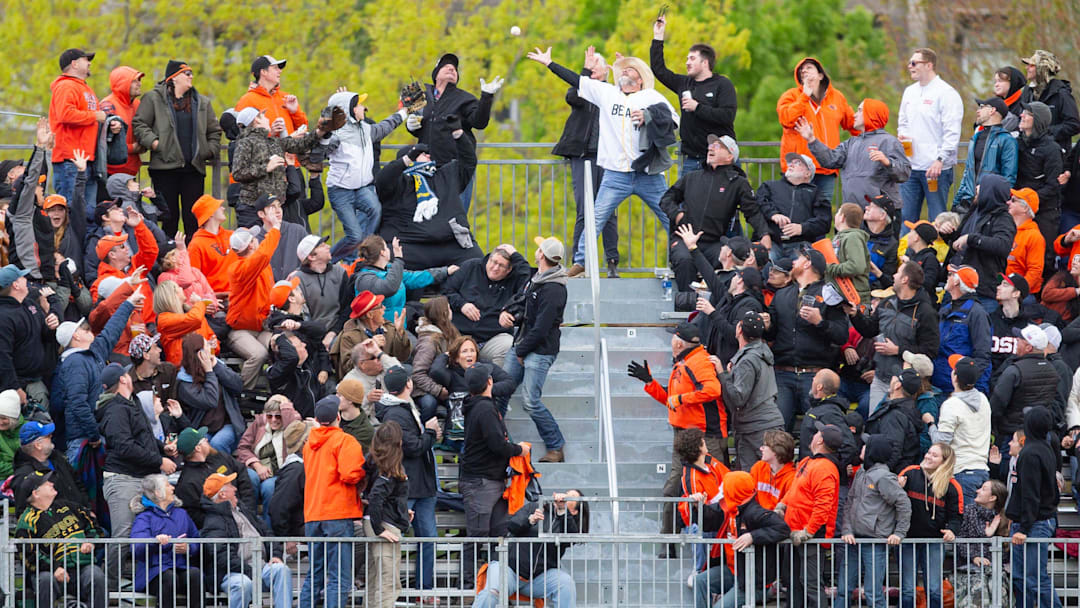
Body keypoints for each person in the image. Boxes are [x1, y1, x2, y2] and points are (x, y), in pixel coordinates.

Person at [527, 46, 677, 274]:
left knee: (671, 217)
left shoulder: (651, 97)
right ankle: (581, 261)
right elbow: (577, 81)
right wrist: (550, 63)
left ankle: (686, 260)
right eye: (622, 70)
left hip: (649, 174)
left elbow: (674, 121)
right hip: (616, 174)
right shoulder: (608, 93)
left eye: (630, 70)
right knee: (595, 218)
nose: (624, 73)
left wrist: (649, 116)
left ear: (640, 79)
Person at [628, 321, 724, 541]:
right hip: (683, 436)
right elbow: (672, 402)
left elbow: (713, 390)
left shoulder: (698, 362)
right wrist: (650, 382)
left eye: (673, 337)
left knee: (713, 488)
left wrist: (681, 398)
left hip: (704, 437)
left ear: (679, 343)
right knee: (672, 489)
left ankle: (717, 542)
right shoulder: (684, 362)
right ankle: (668, 541)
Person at [661, 134, 770, 291]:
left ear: (730, 156)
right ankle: (687, 306)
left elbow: (752, 212)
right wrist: (677, 215)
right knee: (685, 260)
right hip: (684, 238)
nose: (711, 148)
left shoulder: (738, 183)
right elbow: (666, 200)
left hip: (714, 242)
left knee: (730, 260)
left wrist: (765, 234)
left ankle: (722, 307)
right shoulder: (692, 177)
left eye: (718, 146)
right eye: (710, 145)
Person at [132, 61, 222, 235]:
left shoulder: (202, 102)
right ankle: (169, 259)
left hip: (193, 170)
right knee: (168, 218)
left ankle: (193, 258)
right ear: (173, 78)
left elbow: (214, 131)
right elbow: (140, 124)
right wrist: (154, 143)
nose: (191, 77)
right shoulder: (153, 98)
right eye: (187, 73)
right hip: (165, 169)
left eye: (191, 73)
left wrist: (208, 151)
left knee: (194, 219)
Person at [765, 246, 849, 431]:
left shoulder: (829, 295)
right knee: (776, 430)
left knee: (815, 432)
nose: (793, 261)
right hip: (783, 374)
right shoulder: (781, 294)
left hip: (814, 375)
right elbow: (771, 334)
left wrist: (820, 322)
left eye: (799, 258)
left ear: (808, 263)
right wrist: (767, 325)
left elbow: (842, 335)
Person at [374, 366, 441, 597]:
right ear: (409, 385)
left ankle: (424, 589)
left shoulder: (400, 408)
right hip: (408, 486)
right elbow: (413, 447)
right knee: (398, 537)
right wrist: (431, 432)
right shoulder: (396, 414)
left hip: (421, 484)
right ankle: (393, 591)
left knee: (428, 539)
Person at [551, 53, 620, 277]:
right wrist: (584, 72)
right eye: (591, 69)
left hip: (607, 158)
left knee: (609, 210)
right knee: (585, 209)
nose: (593, 71)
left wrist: (621, 70)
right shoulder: (584, 89)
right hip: (583, 156)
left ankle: (612, 262)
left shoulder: (613, 92)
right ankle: (579, 263)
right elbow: (573, 97)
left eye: (596, 67)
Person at [501, 236, 569, 462]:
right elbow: (524, 303)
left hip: (538, 351)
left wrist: (521, 352)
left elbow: (541, 328)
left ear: (542, 254)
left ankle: (556, 446)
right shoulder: (537, 278)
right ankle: (498, 439)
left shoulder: (554, 289)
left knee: (531, 401)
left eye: (539, 248)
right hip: (523, 344)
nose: (536, 251)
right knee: (501, 392)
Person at [406, 52, 500, 211]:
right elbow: (418, 126)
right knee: (427, 216)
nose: (451, 69)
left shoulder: (464, 98)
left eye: (454, 69)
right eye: (446, 67)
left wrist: (486, 97)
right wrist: (410, 125)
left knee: (456, 219)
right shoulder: (420, 96)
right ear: (436, 74)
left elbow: (480, 122)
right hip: (425, 167)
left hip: (456, 169)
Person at [53, 290, 138, 463]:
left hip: (97, 435)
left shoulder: (92, 353)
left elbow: (111, 331)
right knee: (85, 488)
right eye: (83, 329)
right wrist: (93, 434)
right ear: (75, 336)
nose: (88, 330)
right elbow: (77, 402)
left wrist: (129, 303)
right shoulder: (74, 363)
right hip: (84, 441)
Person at [459, 364, 526, 588]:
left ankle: (497, 581)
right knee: (478, 534)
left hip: (490, 480)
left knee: (500, 531)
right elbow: (497, 444)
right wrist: (519, 450)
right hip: (480, 481)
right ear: (489, 382)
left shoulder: (479, 405)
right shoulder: (484, 409)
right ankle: (469, 584)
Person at [322, 89, 405, 262]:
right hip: (340, 190)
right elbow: (316, 152)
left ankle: (364, 256)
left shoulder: (366, 129)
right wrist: (324, 139)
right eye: (359, 105)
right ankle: (329, 261)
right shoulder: (335, 134)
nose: (364, 108)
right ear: (351, 109)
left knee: (375, 210)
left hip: (361, 188)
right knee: (354, 236)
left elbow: (387, 125)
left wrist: (405, 111)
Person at [299, 397, 366, 608]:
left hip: (313, 514)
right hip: (337, 514)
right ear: (338, 417)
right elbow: (350, 474)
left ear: (317, 419)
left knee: (314, 574)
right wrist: (364, 472)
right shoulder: (345, 441)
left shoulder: (309, 445)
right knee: (339, 577)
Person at [374, 139, 483, 269]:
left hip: (450, 243)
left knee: (478, 266)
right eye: (422, 153)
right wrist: (408, 158)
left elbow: (468, 161)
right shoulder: (398, 181)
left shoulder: (445, 175)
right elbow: (383, 180)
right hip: (409, 244)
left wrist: (459, 136)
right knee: (386, 264)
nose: (428, 155)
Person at [96, 362, 177, 538]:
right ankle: (113, 567)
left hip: (140, 476)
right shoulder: (115, 410)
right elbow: (125, 447)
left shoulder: (133, 402)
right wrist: (159, 461)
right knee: (124, 537)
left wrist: (163, 448)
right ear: (123, 379)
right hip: (124, 480)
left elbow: (143, 436)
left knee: (148, 534)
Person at [848, 260, 940, 410]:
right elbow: (870, 330)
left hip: (905, 386)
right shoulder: (887, 302)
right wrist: (855, 314)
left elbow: (930, 351)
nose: (894, 276)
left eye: (898, 273)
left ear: (905, 279)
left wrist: (898, 350)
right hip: (880, 379)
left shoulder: (926, 312)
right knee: (874, 425)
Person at [651, 14, 737, 173]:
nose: (687, 62)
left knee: (722, 198)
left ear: (705, 63)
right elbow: (659, 70)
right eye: (686, 59)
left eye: (692, 59)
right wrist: (658, 36)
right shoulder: (684, 83)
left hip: (720, 160)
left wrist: (697, 107)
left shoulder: (723, 84)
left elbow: (727, 116)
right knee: (687, 198)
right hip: (691, 161)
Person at [473, 490, 588, 608]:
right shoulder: (535, 506)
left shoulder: (568, 524)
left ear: (574, 511)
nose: (566, 496)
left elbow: (570, 539)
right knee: (490, 593)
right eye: (567, 493)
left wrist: (563, 511)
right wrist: (530, 520)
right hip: (509, 569)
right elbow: (512, 526)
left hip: (537, 578)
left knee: (565, 583)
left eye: (572, 497)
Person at [836, 434, 911, 608]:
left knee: (873, 592)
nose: (861, 448)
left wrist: (899, 533)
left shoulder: (884, 477)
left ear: (872, 451)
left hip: (875, 542)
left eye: (865, 445)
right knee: (843, 589)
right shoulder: (862, 472)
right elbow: (849, 501)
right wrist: (846, 530)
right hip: (853, 540)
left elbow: (904, 503)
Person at [230, 106, 335, 228]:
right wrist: (266, 167)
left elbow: (300, 144)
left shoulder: (274, 142)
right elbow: (238, 173)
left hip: (274, 207)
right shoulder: (245, 142)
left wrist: (321, 131)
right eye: (263, 116)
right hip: (252, 209)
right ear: (256, 120)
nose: (267, 119)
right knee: (255, 244)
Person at [15, 471, 107, 608]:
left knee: (96, 575)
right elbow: (28, 555)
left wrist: (91, 541)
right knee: (45, 579)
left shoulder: (68, 506)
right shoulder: (26, 521)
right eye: (46, 483)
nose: (52, 483)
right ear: (36, 493)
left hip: (82, 569)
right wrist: (55, 567)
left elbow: (94, 526)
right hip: (50, 574)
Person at [200, 472, 292, 608]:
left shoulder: (243, 510)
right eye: (230, 485)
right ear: (222, 495)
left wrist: (275, 555)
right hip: (231, 573)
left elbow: (268, 533)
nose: (235, 489)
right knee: (243, 584)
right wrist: (249, 571)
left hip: (259, 566)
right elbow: (222, 557)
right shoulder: (213, 520)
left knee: (281, 569)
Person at [775, 422, 842, 608]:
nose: (813, 436)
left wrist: (808, 532)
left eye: (817, 433)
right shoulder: (808, 462)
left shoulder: (825, 468)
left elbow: (823, 507)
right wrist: (782, 505)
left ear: (820, 440)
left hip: (810, 537)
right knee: (793, 582)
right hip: (795, 532)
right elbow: (795, 490)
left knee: (810, 584)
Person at [797, 98, 911, 206]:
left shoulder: (889, 141)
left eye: (860, 110)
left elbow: (904, 174)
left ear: (872, 114)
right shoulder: (850, 143)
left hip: (881, 213)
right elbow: (830, 160)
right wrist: (811, 140)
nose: (854, 115)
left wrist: (888, 162)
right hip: (852, 212)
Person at [897, 48, 964, 230]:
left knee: (938, 220)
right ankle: (904, 257)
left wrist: (940, 159)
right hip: (911, 168)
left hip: (936, 170)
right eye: (909, 62)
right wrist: (903, 136)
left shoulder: (946, 93)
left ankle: (938, 257)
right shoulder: (909, 92)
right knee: (906, 219)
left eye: (914, 63)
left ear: (929, 65)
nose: (909, 66)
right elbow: (902, 121)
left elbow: (952, 131)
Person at [777, 58, 857, 202]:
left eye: (809, 68)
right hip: (799, 168)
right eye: (802, 70)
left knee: (823, 215)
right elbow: (786, 119)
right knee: (798, 213)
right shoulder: (791, 96)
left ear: (821, 75)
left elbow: (853, 124)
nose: (804, 71)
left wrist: (872, 138)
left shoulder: (837, 97)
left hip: (827, 168)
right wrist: (804, 97)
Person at [1006, 405, 1062, 608]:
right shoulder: (1045, 448)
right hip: (1037, 521)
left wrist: (1023, 528)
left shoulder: (1029, 454)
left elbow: (1030, 495)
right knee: (1023, 579)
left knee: (1035, 579)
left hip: (1033, 523)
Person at [897, 442, 964, 608]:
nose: (928, 456)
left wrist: (952, 531)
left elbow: (957, 516)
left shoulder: (952, 485)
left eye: (934, 455)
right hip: (907, 540)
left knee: (934, 589)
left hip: (934, 542)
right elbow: (892, 502)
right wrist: (897, 488)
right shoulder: (910, 473)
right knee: (907, 590)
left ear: (944, 461)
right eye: (928, 452)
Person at [442, 244, 531, 366]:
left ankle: (496, 383)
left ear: (509, 270)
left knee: (509, 345)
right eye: (493, 262)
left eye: (501, 266)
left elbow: (529, 282)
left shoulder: (514, 279)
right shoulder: (471, 267)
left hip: (491, 339)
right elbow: (447, 291)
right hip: (458, 336)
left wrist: (516, 256)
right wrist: (462, 305)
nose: (495, 268)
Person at [715, 311, 784, 470]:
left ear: (739, 330)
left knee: (764, 479)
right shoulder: (761, 351)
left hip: (757, 428)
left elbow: (738, 398)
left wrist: (722, 374)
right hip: (760, 425)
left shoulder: (748, 360)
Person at [129, 474, 203, 608]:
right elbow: (137, 547)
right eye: (168, 485)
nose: (173, 488)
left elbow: (196, 539)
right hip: (153, 572)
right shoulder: (144, 517)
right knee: (168, 577)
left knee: (196, 574)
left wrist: (189, 548)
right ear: (158, 492)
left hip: (181, 567)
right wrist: (155, 542)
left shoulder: (182, 514)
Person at [362, 421, 411, 608]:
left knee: (376, 576)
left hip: (378, 520)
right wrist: (379, 529)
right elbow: (376, 497)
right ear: (398, 443)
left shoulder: (373, 462)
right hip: (384, 525)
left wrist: (403, 511)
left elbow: (381, 497)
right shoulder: (388, 469)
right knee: (388, 579)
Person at [350, 235, 453, 324]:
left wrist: (445, 271)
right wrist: (398, 258)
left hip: (399, 326)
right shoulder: (364, 278)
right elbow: (389, 287)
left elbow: (415, 278)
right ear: (383, 253)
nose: (389, 250)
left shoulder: (391, 269)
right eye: (386, 247)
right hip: (379, 330)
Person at [931, 354, 992, 506]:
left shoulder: (951, 405)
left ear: (955, 377)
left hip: (962, 474)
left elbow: (941, 443)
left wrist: (930, 425)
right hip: (982, 472)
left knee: (965, 527)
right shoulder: (983, 399)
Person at [225, 217, 279, 389]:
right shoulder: (241, 268)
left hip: (262, 327)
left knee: (282, 346)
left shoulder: (257, 265)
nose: (258, 240)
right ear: (250, 245)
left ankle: (275, 391)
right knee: (258, 354)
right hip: (240, 330)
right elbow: (264, 254)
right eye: (255, 239)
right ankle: (242, 393)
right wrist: (275, 229)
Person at [50, 49, 105, 208]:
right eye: (85, 60)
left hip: (86, 159)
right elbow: (65, 114)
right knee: (71, 211)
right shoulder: (66, 86)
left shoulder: (84, 87)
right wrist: (95, 116)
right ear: (74, 64)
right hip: (70, 159)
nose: (89, 63)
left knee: (86, 214)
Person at [0, 262, 59, 408]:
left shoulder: (29, 304)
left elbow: (44, 335)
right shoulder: (4, 317)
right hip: (18, 385)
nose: (26, 279)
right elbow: (2, 356)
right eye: (21, 277)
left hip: (38, 379)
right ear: (16, 285)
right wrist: (15, 388)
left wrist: (51, 326)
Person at [236, 395, 302, 525]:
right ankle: (251, 522)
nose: (273, 420)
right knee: (250, 477)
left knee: (269, 487)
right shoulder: (258, 424)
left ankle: (268, 530)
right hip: (257, 469)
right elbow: (243, 447)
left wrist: (285, 404)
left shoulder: (292, 426)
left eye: (278, 416)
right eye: (269, 416)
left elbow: (292, 424)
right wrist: (256, 464)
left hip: (279, 474)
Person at [174, 425, 255, 529]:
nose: (207, 440)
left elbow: (242, 474)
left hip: (243, 513)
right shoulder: (187, 483)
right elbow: (195, 514)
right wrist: (225, 523)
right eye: (203, 439)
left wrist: (248, 509)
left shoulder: (219, 456)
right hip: (222, 529)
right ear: (198, 448)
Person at [176, 333, 245, 455]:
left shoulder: (217, 366)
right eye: (206, 344)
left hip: (228, 424)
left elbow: (238, 386)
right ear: (200, 353)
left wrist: (216, 367)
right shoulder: (184, 382)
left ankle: (224, 471)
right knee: (203, 446)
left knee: (218, 443)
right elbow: (210, 401)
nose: (210, 347)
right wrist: (209, 372)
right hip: (201, 427)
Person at [1016, 102, 1065, 272]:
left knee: (1045, 255)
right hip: (1019, 208)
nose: (1021, 115)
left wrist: (1029, 201)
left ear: (1037, 120)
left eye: (1027, 113)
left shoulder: (1052, 149)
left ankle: (1043, 295)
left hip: (1045, 210)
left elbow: (1053, 186)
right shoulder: (1018, 143)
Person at [932, 264, 992, 393]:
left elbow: (982, 356)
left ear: (957, 281)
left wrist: (964, 386)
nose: (947, 278)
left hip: (957, 388)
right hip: (938, 382)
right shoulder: (946, 309)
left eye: (950, 275)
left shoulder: (977, 313)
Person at [757, 153, 832, 258]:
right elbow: (757, 205)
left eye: (798, 163)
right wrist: (773, 214)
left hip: (800, 244)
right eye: (790, 162)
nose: (791, 165)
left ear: (807, 173)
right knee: (767, 263)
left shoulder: (817, 194)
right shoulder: (769, 186)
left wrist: (802, 228)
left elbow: (824, 222)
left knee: (806, 267)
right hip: (772, 242)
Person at [953, 97, 1019, 211]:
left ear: (992, 110)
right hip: (967, 202)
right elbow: (967, 173)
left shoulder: (1007, 140)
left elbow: (1008, 179)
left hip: (990, 204)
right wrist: (956, 202)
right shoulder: (975, 138)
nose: (978, 111)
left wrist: (991, 196)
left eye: (982, 107)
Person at [332, 289, 412, 378]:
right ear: (370, 315)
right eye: (381, 306)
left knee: (408, 370)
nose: (384, 308)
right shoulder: (349, 336)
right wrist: (368, 349)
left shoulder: (388, 327)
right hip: (364, 382)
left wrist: (399, 333)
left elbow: (402, 357)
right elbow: (348, 368)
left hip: (388, 376)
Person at [13, 420, 88, 515]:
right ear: (38, 445)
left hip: (80, 516)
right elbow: (23, 512)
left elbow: (78, 483)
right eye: (48, 436)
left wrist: (86, 508)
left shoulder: (57, 458)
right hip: (56, 526)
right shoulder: (24, 475)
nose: (51, 437)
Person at [294, 234, 350, 349]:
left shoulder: (340, 272)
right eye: (323, 246)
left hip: (339, 331)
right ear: (312, 257)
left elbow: (348, 308)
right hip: (311, 335)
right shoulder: (298, 280)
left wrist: (333, 333)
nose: (329, 247)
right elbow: (302, 317)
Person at [1019, 50, 1080, 153]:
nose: (1027, 68)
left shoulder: (1061, 94)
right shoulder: (1027, 92)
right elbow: (1019, 118)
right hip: (1030, 156)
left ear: (1042, 68)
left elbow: (1074, 125)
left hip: (1055, 155)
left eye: (1032, 65)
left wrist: (1046, 133)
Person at [864, 368, 925, 472]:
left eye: (895, 377)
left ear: (897, 385)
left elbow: (893, 451)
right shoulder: (908, 409)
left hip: (887, 476)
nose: (892, 378)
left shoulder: (895, 416)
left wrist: (880, 475)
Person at [267, 331, 331, 419]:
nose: (304, 345)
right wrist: (278, 338)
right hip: (294, 424)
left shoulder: (307, 363)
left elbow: (319, 334)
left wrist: (324, 369)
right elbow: (291, 358)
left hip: (314, 420)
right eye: (300, 345)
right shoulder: (277, 373)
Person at [268, 420, 311, 540]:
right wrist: (285, 539)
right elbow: (278, 507)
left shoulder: (302, 466)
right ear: (305, 442)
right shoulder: (296, 469)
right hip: (300, 530)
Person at [100, 66, 145, 177]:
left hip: (131, 170)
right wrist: (132, 148)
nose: (139, 84)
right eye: (134, 81)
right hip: (112, 172)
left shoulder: (137, 104)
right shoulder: (108, 105)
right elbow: (103, 142)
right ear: (123, 84)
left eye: (139, 80)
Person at [187, 194, 236, 295]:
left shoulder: (233, 235)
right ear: (210, 214)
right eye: (218, 206)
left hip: (238, 297)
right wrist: (213, 297)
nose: (223, 208)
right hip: (215, 303)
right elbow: (194, 282)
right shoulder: (196, 245)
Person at [826, 202, 871, 303]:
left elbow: (856, 267)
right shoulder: (841, 237)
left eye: (837, 213)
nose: (835, 215)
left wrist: (828, 267)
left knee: (861, 319)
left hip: (856, 298)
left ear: (842, 217)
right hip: (840, 296)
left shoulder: (853, 237)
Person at [1006, 189, 1045, 295]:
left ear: (1025, 208)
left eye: (1013, 200)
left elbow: (1035, 271)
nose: (1008, 202)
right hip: (1002, 290)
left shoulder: (1034, 236)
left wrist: (1017, 292)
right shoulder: (1007, 230)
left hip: (1021, 297)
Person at [749, 429, 796, 510]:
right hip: (756, 515)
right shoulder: (759, 467)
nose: (761, 448)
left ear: (776, 451)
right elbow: (748, 494)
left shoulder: (792, 478)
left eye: (765, 446)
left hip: (777, 519)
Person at [903, 220, 941, 297]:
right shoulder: (913, 255)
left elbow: (927, 284)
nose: (908, 235)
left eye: (910, 232)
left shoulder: (930, 258)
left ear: (916, 238)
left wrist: (911, 267)